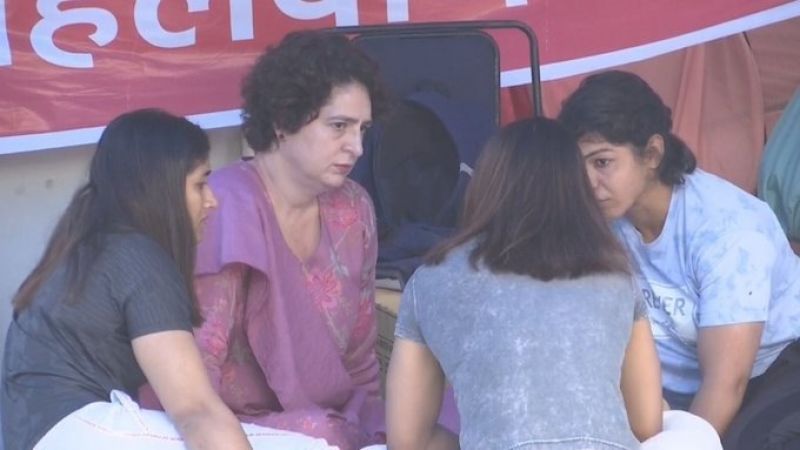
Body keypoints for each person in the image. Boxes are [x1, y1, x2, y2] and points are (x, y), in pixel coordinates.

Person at [1, 109, 336, 450]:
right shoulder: (137, 255)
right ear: (161, 187)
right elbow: (195, 409)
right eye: (200, 183)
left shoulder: (88, 245)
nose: (212, 201)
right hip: (78, 430)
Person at [138, 30, 388, 450]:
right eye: (339, 126)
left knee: (443, 423)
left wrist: (378, 430)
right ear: (282, 121)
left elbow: (361, 360)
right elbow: (197, 376)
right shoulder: (225, 206)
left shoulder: (354, 208)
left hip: (335, 419)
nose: (357, 147)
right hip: (231, 426)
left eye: (363, 129)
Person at [386, 117, 665, 450]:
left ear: (487, 184)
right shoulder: (616, 276)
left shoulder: (430, 281)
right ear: (576, 188)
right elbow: (647, 424)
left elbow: (406, 441)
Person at [558, 70, 800, 449]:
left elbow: (727, 382)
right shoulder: (603, 217)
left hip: (767, 375)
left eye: (602, 162)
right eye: (579, 165)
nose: (588, 182)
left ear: (652, 154)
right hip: (665, 385)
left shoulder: (728, 231)